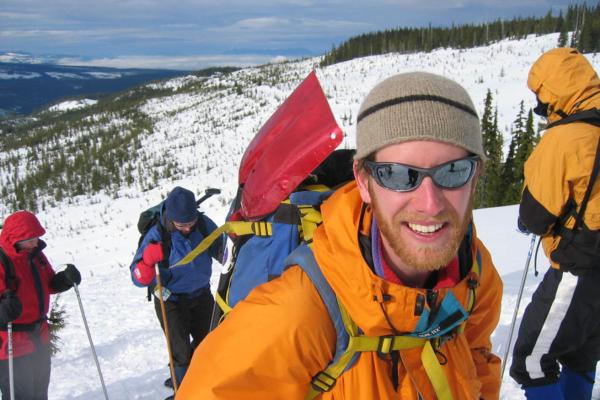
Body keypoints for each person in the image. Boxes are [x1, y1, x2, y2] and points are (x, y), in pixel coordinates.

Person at [177, 72, 503, 399]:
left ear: (475, 178)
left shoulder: (475, 276)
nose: (430, 204)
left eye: (453, 171)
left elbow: (475, 357)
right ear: (364, 181)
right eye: (399, 175)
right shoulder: (301, 315)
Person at [510, 48, 600, 399]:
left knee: (530, 361)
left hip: (578, 267)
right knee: (581, 354)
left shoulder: (565, 137)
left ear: (552, 91)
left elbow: (536, 216)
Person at [130, 186, 225, 395]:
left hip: (201, 294)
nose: (188, 229)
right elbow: (137, 276)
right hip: (170, 300)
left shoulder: (201, 224)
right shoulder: (157, 234)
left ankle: (201, 381)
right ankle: (184, 391)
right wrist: (147, 261)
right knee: (180, 350)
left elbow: (221, 247)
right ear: (171, 218)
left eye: (190, 223)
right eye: (182, 225)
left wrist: (232, 250)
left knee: (209, 341)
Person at [0, 210, 81, 400]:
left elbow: (49, 283)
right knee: (21, 395)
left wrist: (64, 280)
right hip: (11, 339)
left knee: (39, 390)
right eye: (30, 239)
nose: (36, 242)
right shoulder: (2, 260)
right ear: (16, 239)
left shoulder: (36, 255)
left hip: (39, 335)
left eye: (37, 237)